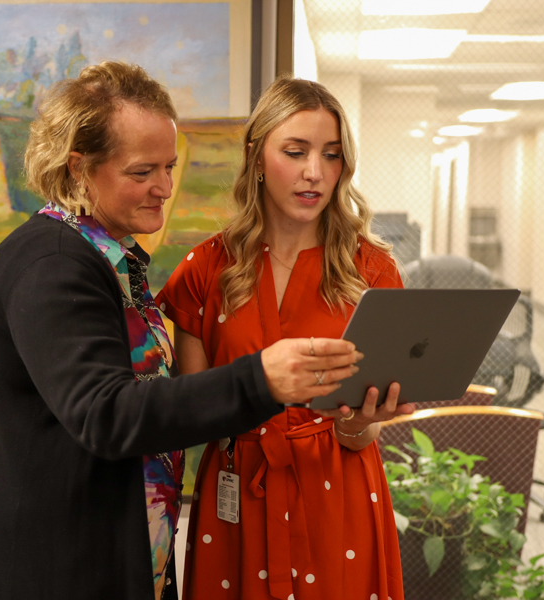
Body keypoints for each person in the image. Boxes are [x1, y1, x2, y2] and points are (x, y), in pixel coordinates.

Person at [0, 63, 364, 600]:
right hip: (53, 571)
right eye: (142, 172)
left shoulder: (104, 259)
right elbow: (107, 414)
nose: (164, 188)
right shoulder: (51, 267)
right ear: (78, 168)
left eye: (168, 167)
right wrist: (261, 379)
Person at [156, 77, 414, 600]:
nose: (314, 173)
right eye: (295, 152)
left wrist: (361, 426)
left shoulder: (372, 271)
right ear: (255, 157)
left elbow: (362, 434)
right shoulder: (205, 270)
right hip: (237, 502)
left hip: (337, 496)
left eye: (332, 155)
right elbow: (190, 412)